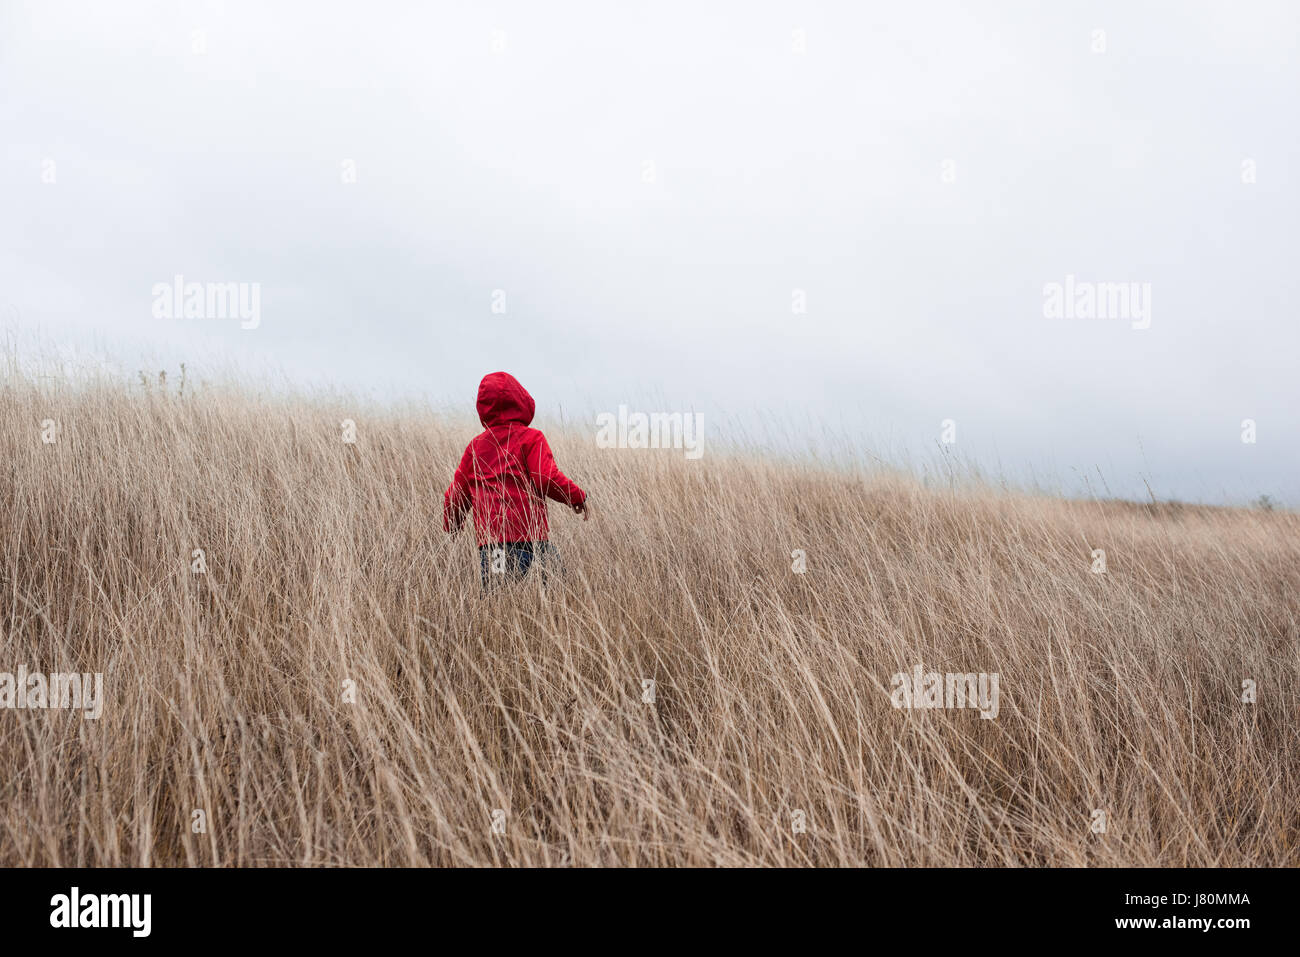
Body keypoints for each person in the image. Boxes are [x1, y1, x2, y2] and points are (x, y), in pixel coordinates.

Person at [443, 371, 588, 588]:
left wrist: (453, 524)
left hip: (493, 549)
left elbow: (456, 494)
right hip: (532, 543)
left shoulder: (475, 448)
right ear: (521, 400)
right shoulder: (532, 438)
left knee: (497, 601)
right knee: (556, 593)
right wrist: (577, 497)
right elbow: (545, 478)